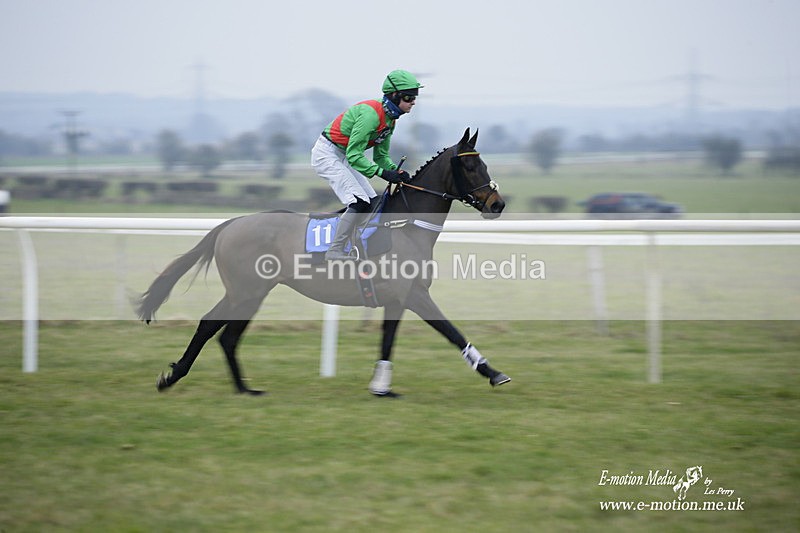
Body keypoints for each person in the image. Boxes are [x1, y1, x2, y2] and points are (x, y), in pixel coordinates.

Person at [311, 69, 422, 260]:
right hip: (327, 154)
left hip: (343, 155)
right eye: (409, 97)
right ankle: (334, 250)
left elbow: (381, 157)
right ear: (394, 96)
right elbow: (355, 155)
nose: (413, 101)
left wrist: (396, 171)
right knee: (358, 200)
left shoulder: (390, 120)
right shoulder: (371, 115)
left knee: (373, 201)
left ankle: (357, 244)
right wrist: (383, 173)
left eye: (415, 97)